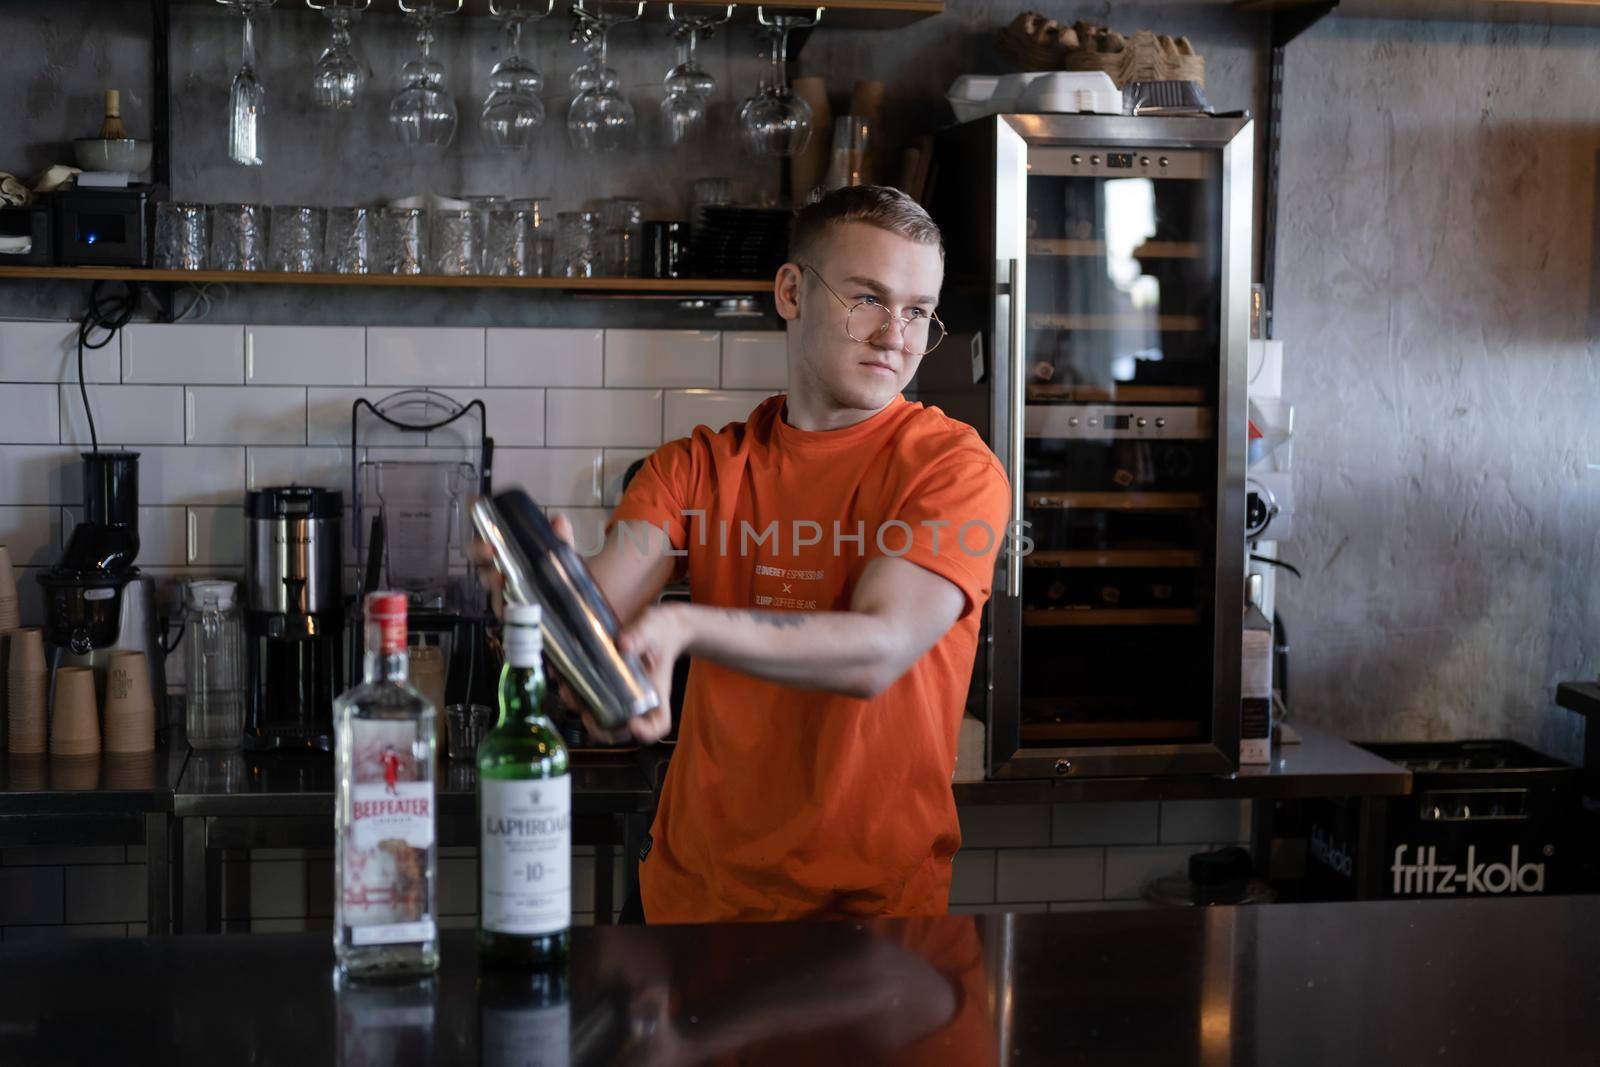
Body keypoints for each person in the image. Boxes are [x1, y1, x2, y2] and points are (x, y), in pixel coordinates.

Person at [479, 185, 1011, 924]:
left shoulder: (953, 469)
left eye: (919, 311)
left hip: (865, 924)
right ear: (791, 291)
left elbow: (878, 649)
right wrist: (544, 599)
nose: (896, 334)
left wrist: (687, 628)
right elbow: (602, 608)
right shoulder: (695, 468)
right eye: (868, 298)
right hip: (688, 906)